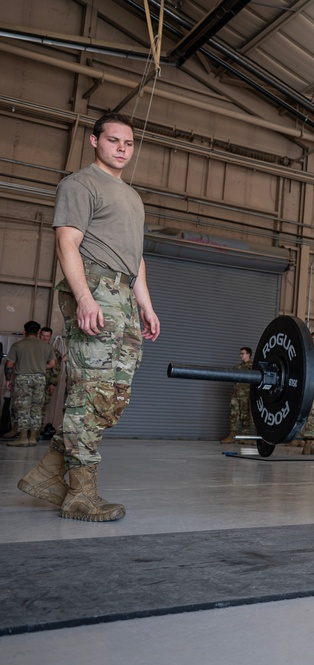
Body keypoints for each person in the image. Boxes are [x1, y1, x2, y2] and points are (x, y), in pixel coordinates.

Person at [17, 112, 161, 522]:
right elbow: (67, 243)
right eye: (114, 140)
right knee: (89, 394)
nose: (122, 148)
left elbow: (137, 259)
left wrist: (146, 305)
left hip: (124, 295)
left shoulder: (131, 197)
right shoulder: (79, 184)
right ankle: (80, 495)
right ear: (94, 141)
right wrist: (84, 298)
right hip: (97, 289)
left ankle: (48, 476)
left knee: (112, 398)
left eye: (128, 143)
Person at [3, 321, 56, 446]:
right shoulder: (46, 346)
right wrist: (39, 367)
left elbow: (9, 364)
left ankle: (22, 438)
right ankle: (33, 438)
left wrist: (8, 379)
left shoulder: (18, 345)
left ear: (24, 331)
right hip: (40, 379)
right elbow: (52, 364)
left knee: (23, 408)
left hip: (23, 379)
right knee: (36, 408)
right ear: (38, 332)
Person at [220, 347, 254, 444]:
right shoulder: (237, 367)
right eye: (240, 353)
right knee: (233, 415)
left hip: (246, 396)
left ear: (248, 355)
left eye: (242, 353)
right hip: (235, 395)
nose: (241, 355)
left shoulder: (253, 367)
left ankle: (244, 436)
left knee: (245, 415)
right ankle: (232, 435)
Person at [39, 326, 63, 428]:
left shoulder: (54, 351)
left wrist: (53, 383)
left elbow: (56, 369)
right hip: (32, 380)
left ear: (50, 337)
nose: (45, 338)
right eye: (43, 335)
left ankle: (36, 432)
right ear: (39, 335)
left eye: (47, 336)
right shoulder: (34, 348)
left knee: (42, 407)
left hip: (46, 382)